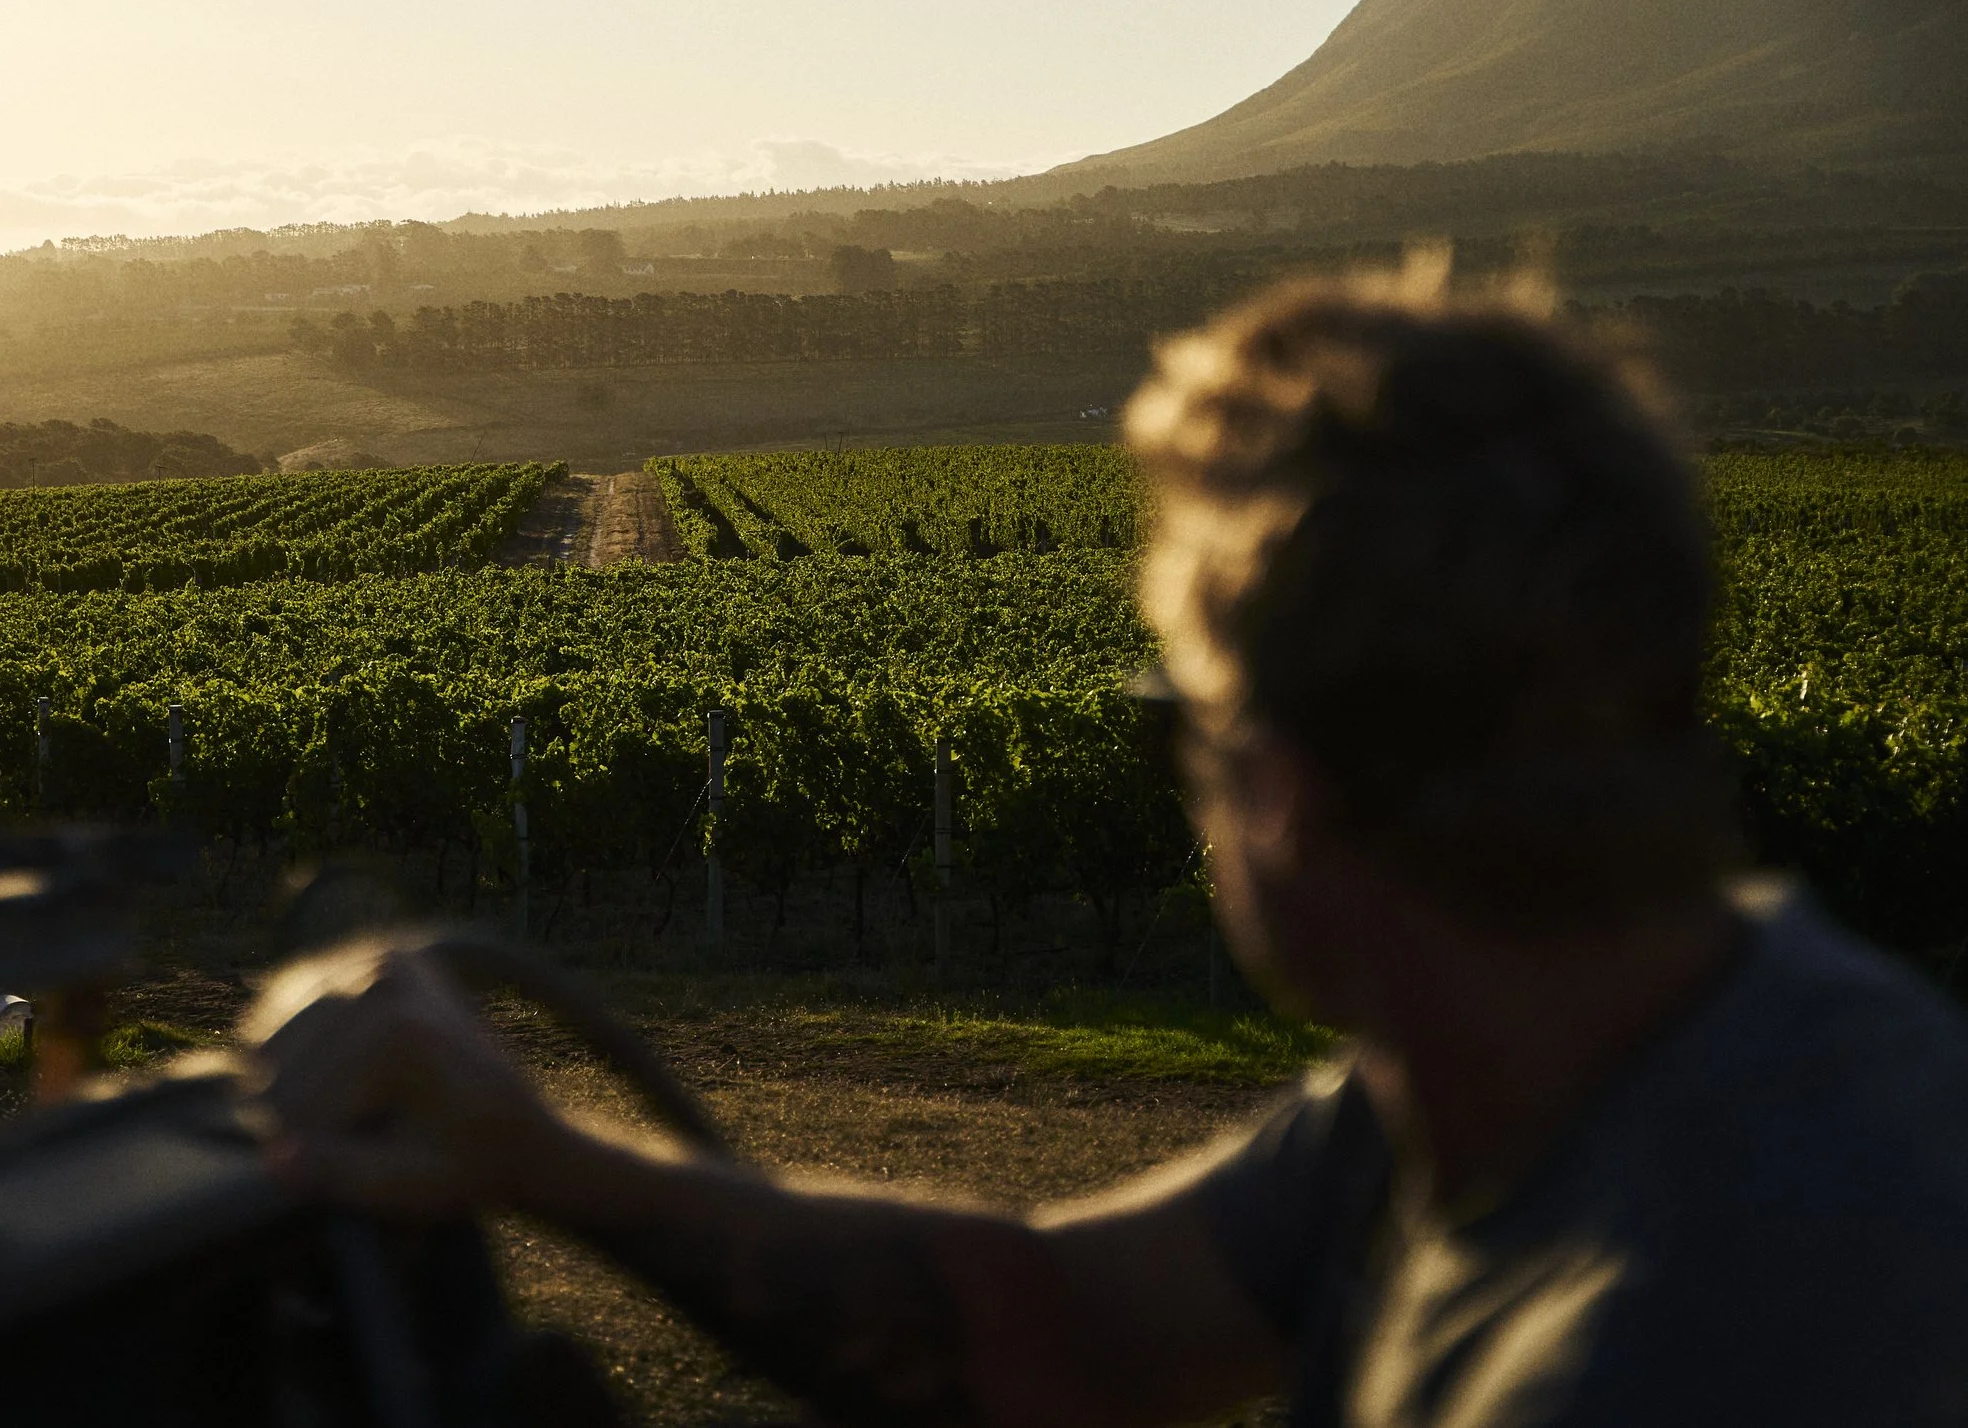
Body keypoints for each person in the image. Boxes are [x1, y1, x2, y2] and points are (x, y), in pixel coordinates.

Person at [250, 274, 1968, 1427]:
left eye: (1180, 725)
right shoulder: (1521, 1079)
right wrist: (542, 1160)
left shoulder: (1675, 1345)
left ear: (1279, 783)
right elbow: (1046, 1323)